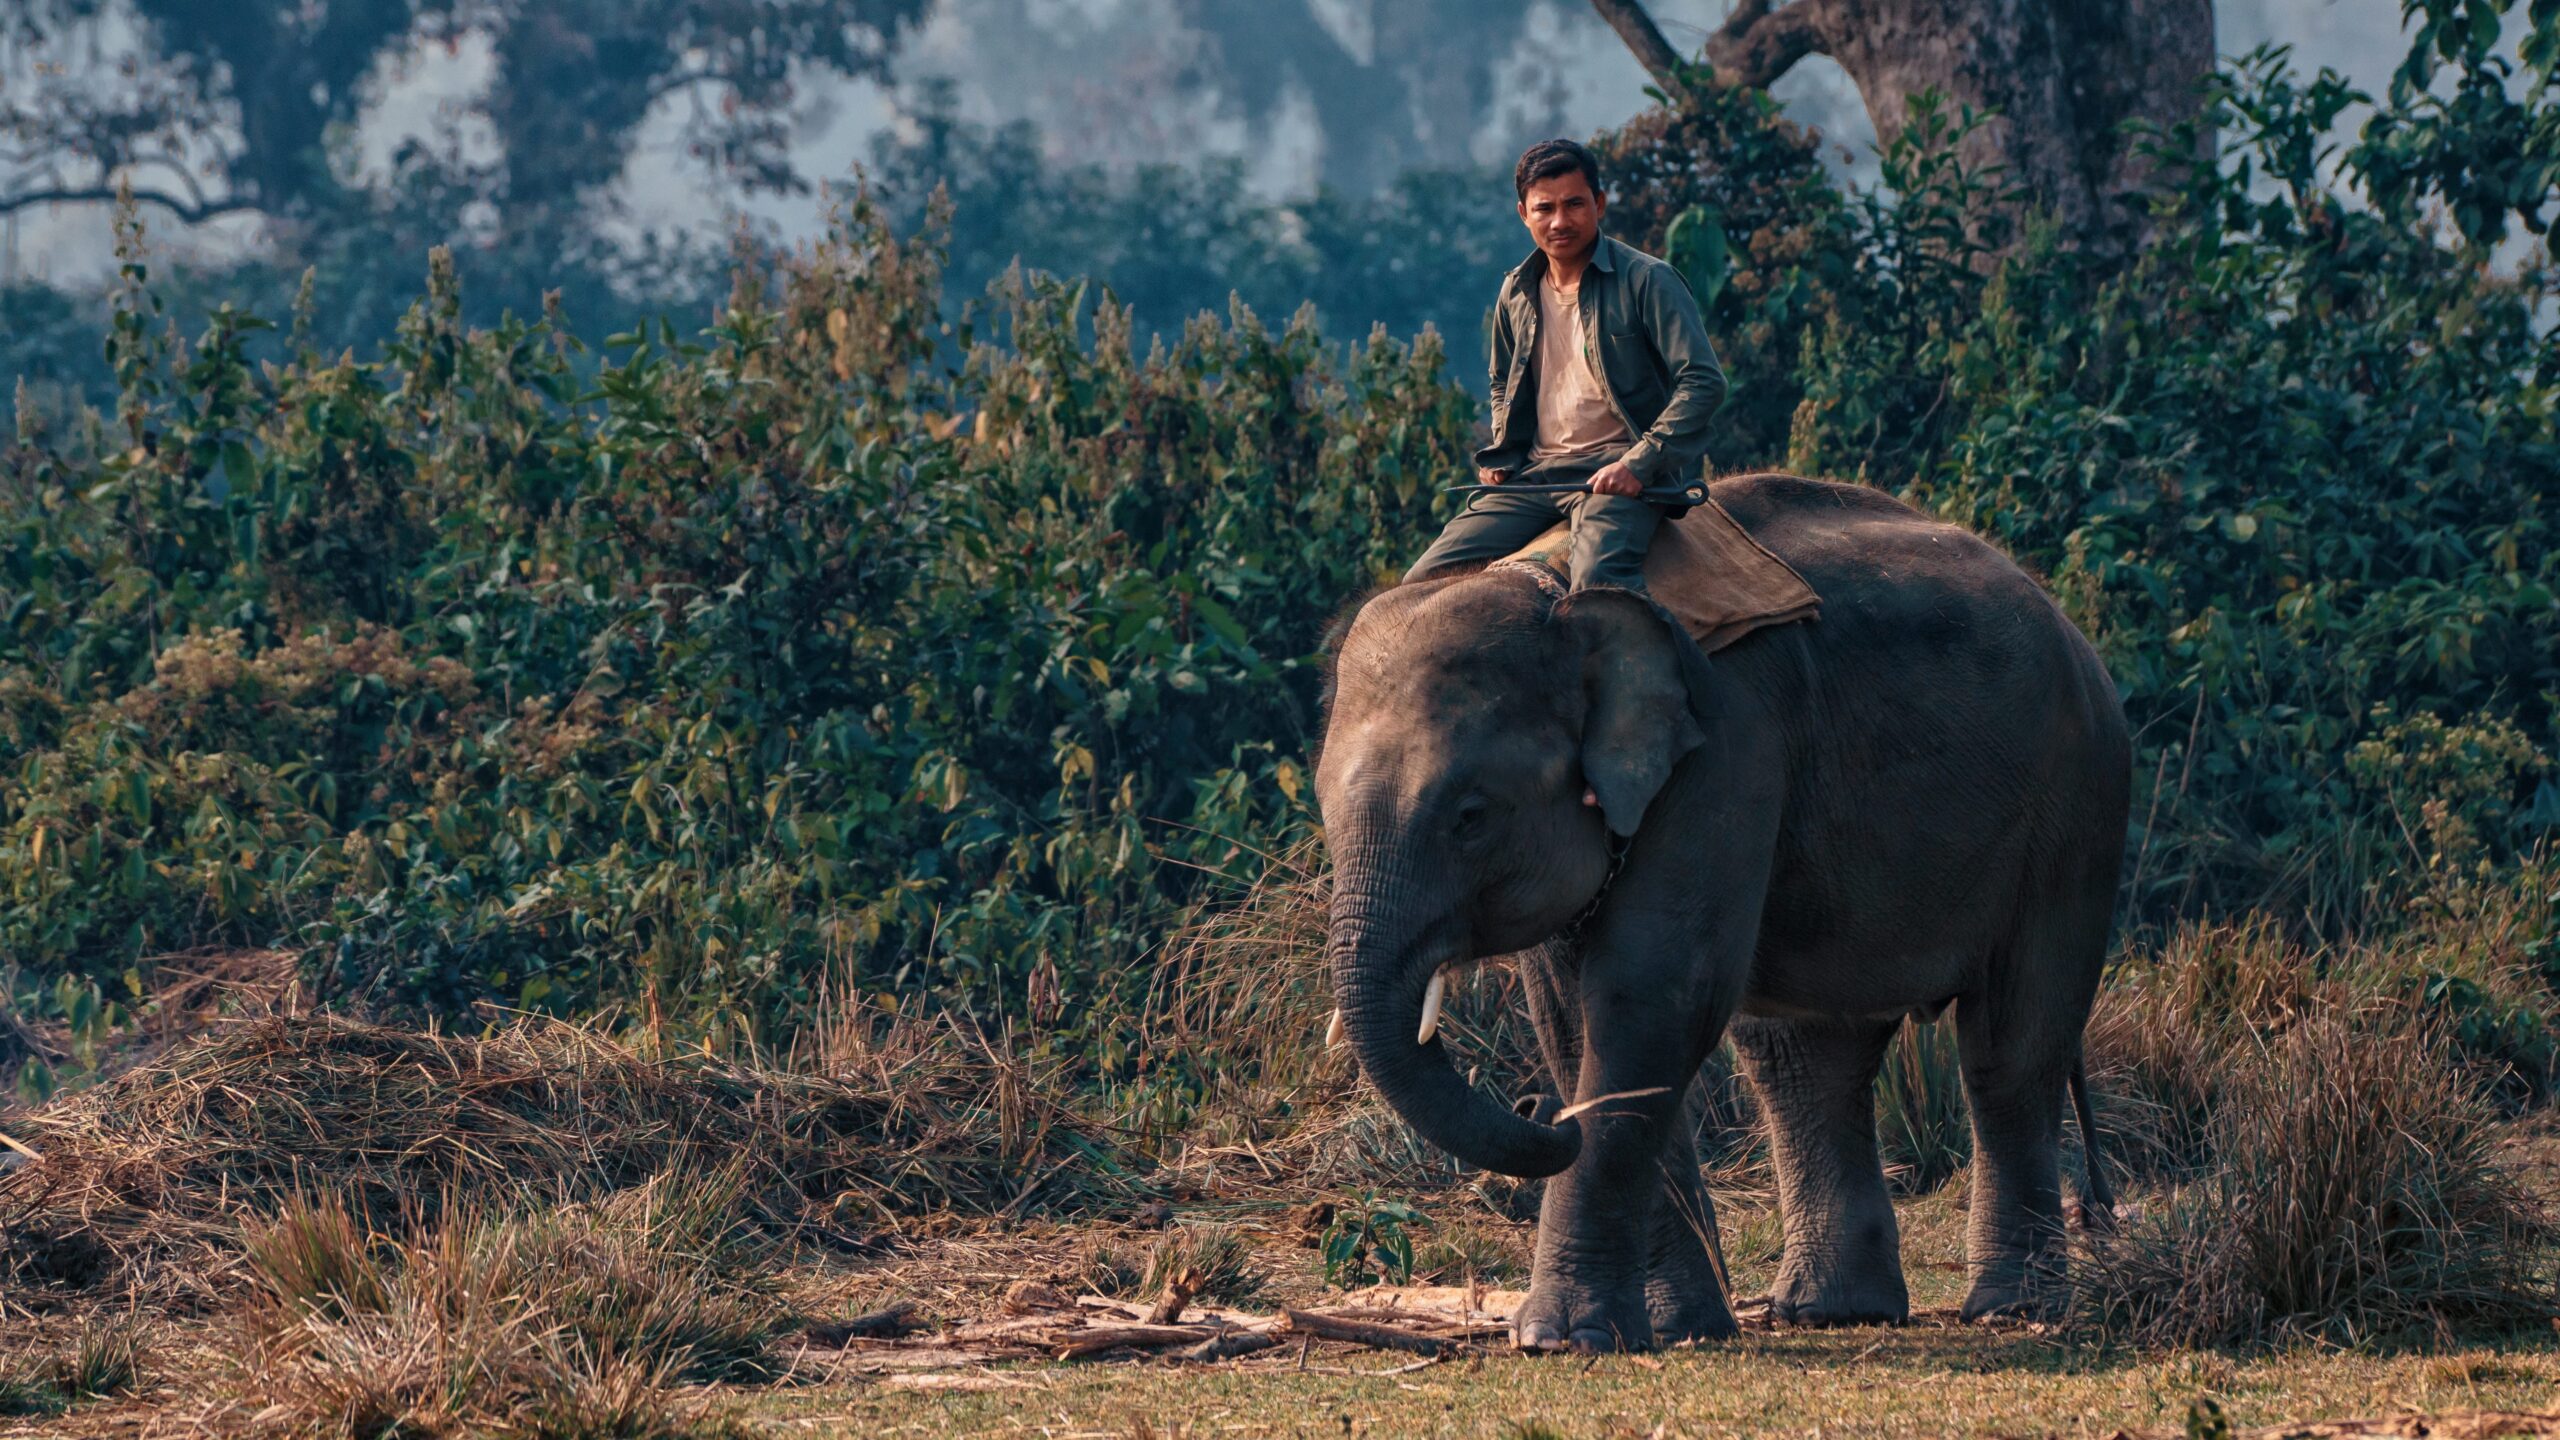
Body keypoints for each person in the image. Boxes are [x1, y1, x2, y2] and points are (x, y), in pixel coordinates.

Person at [1404, 138, 1727, 594]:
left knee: (1598, 587)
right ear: (1524, 214)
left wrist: (1640, 463)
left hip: (1616, 468)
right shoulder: (1515, 291)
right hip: (1534, 477)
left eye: (1574, 204)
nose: (1559, 221)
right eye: (1544, 208)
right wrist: (1503, 449)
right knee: (1421, 585)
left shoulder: (1647, 280)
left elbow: (1703, 382)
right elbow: (1502, 382)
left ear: (1599, 203)